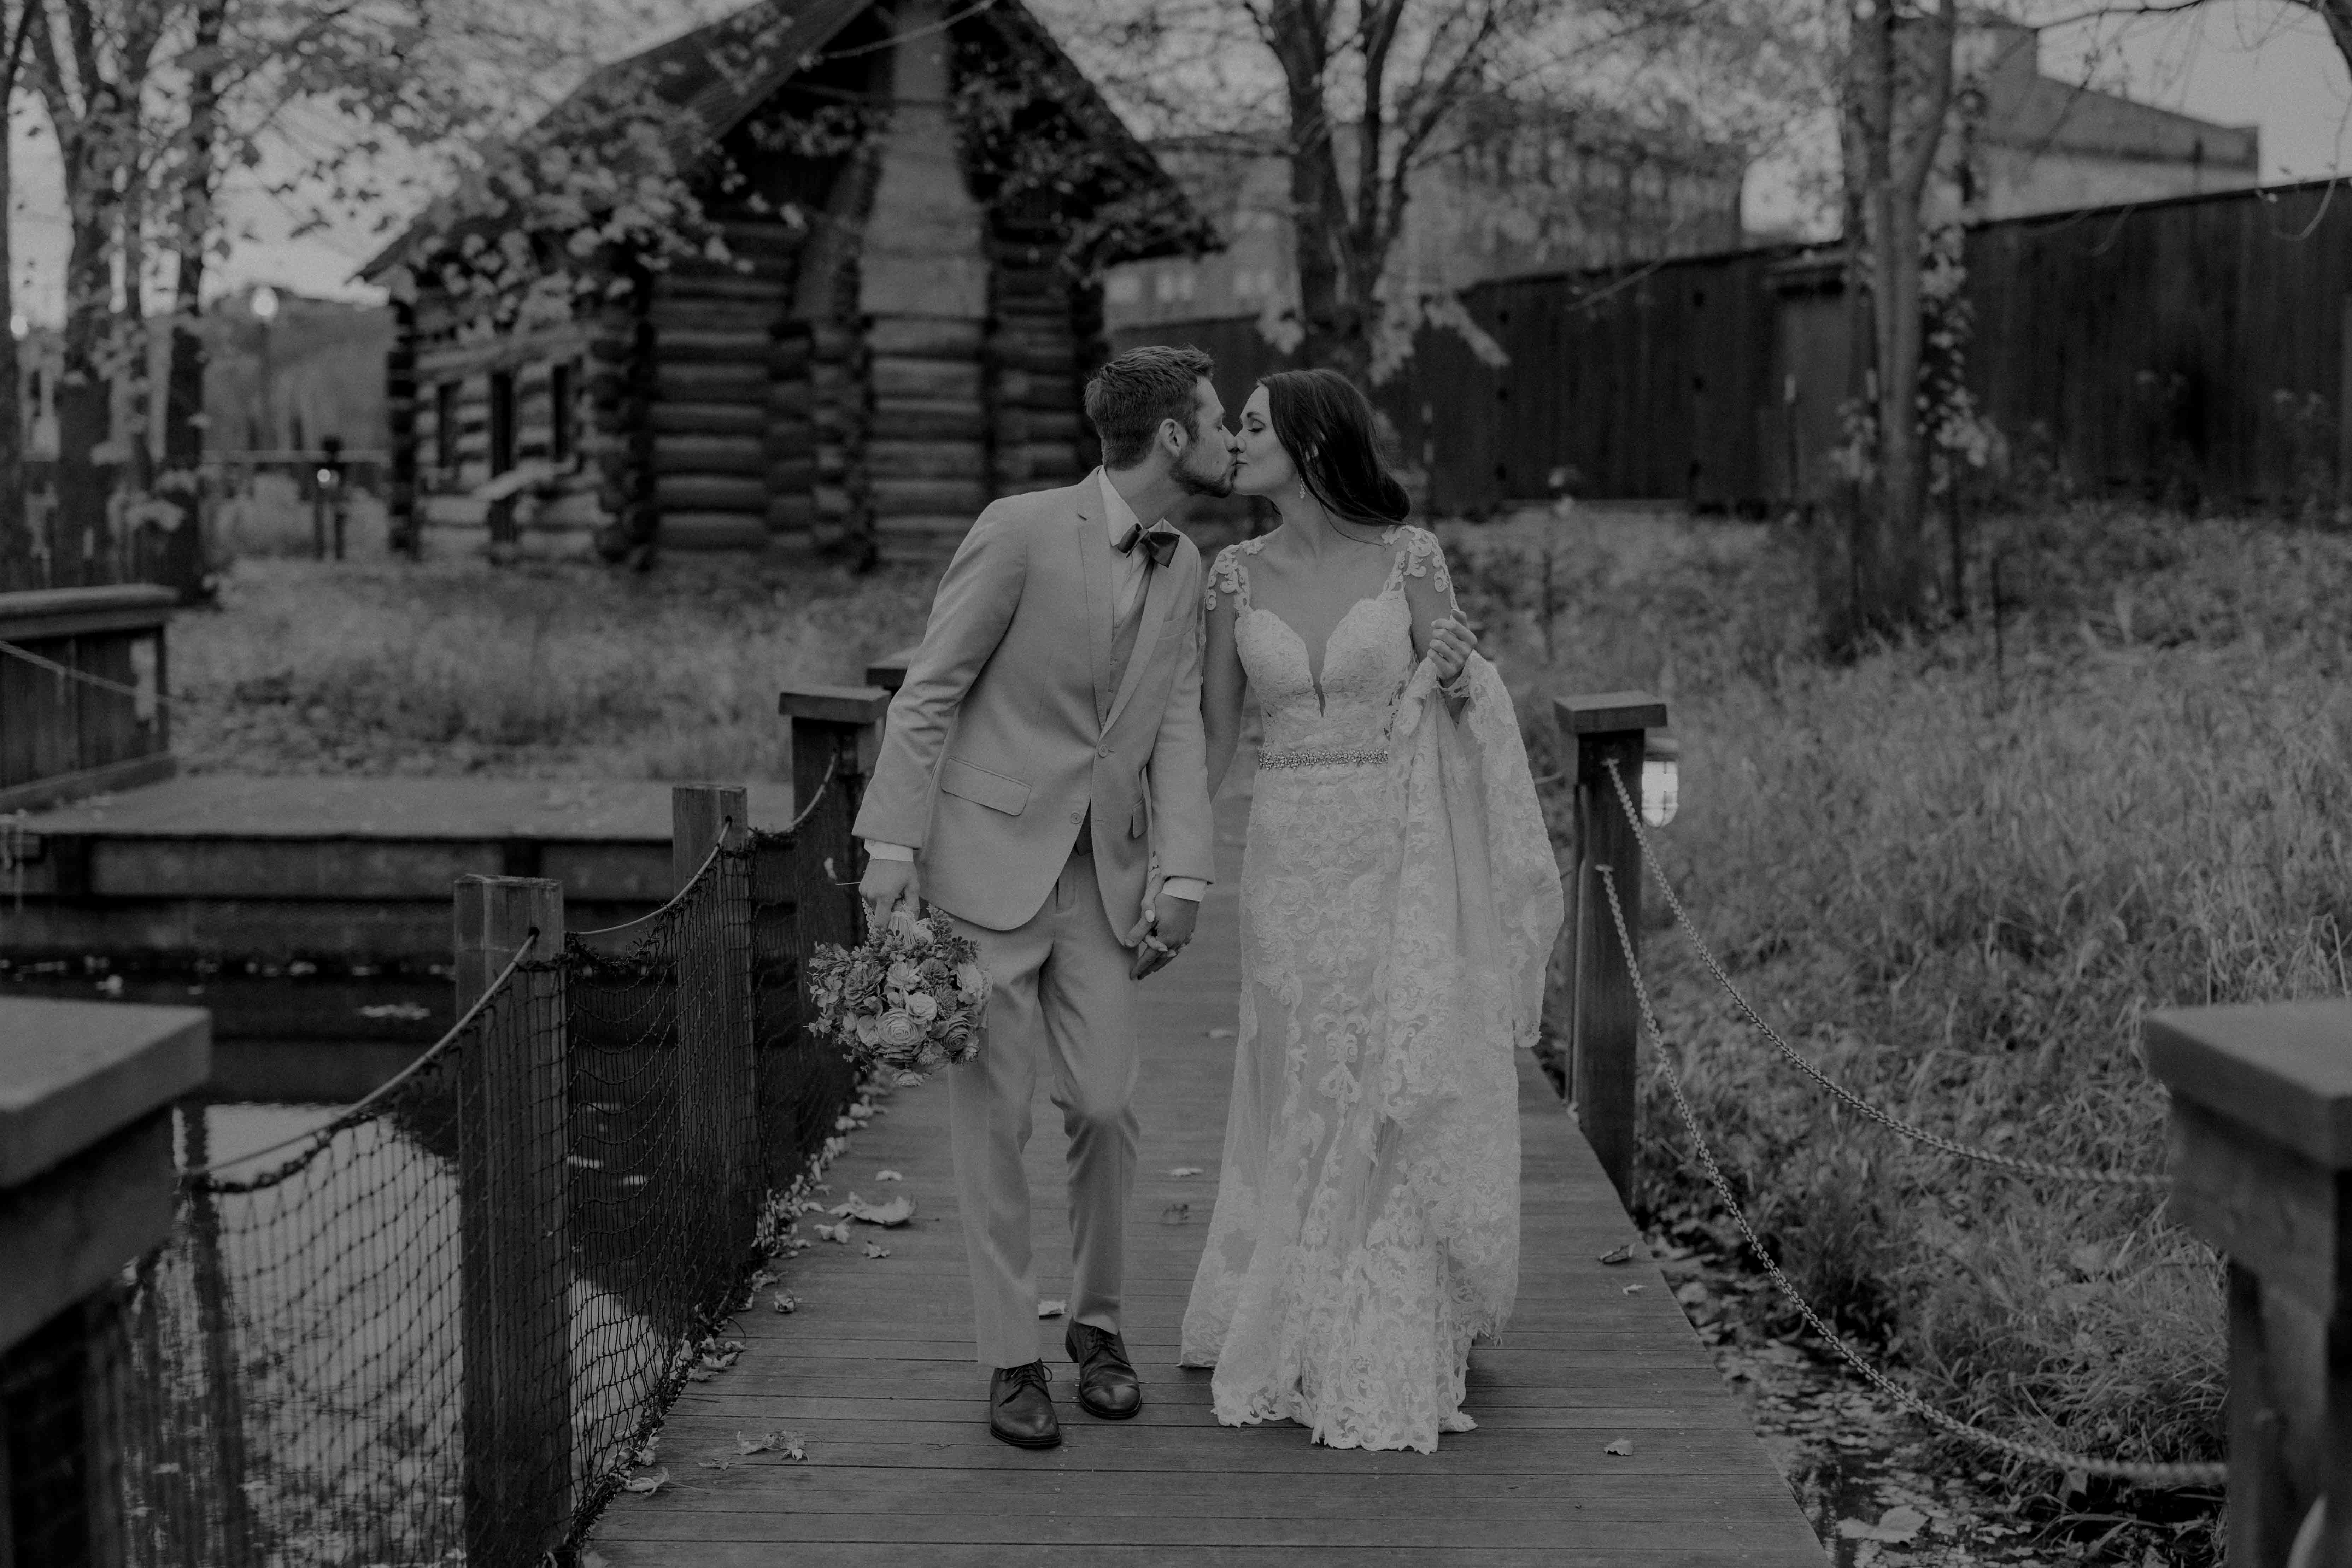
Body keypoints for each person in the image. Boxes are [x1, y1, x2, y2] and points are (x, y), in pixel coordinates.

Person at [854, 345, 1233, 1450]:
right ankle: (1010, 1352)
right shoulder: (1019, 529)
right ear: (1171, 436)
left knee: (1108, 1109)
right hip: (985, 867)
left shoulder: (1185, 562)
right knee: (996, 1121)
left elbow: (1167, 722)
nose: (1225, 441)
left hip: (1104, 881)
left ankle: (1099, 1327)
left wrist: (1190, 871)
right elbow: (931, 692)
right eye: (1214, 421)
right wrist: (891, 842)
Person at [1178, 368, 1564, 1452]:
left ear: (1306, 444)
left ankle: (1374, 1309)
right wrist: (1157, 861)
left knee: (1383, 1061)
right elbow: (1212, 743)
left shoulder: (1411, 556)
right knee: (1292, 1061)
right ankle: (1286, 1293)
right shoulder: (1231, 575)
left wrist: (1451, 673)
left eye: (1250, 427)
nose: (1234, 443)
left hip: (1391, 846)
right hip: (1285, 851)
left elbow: (1461, 688)